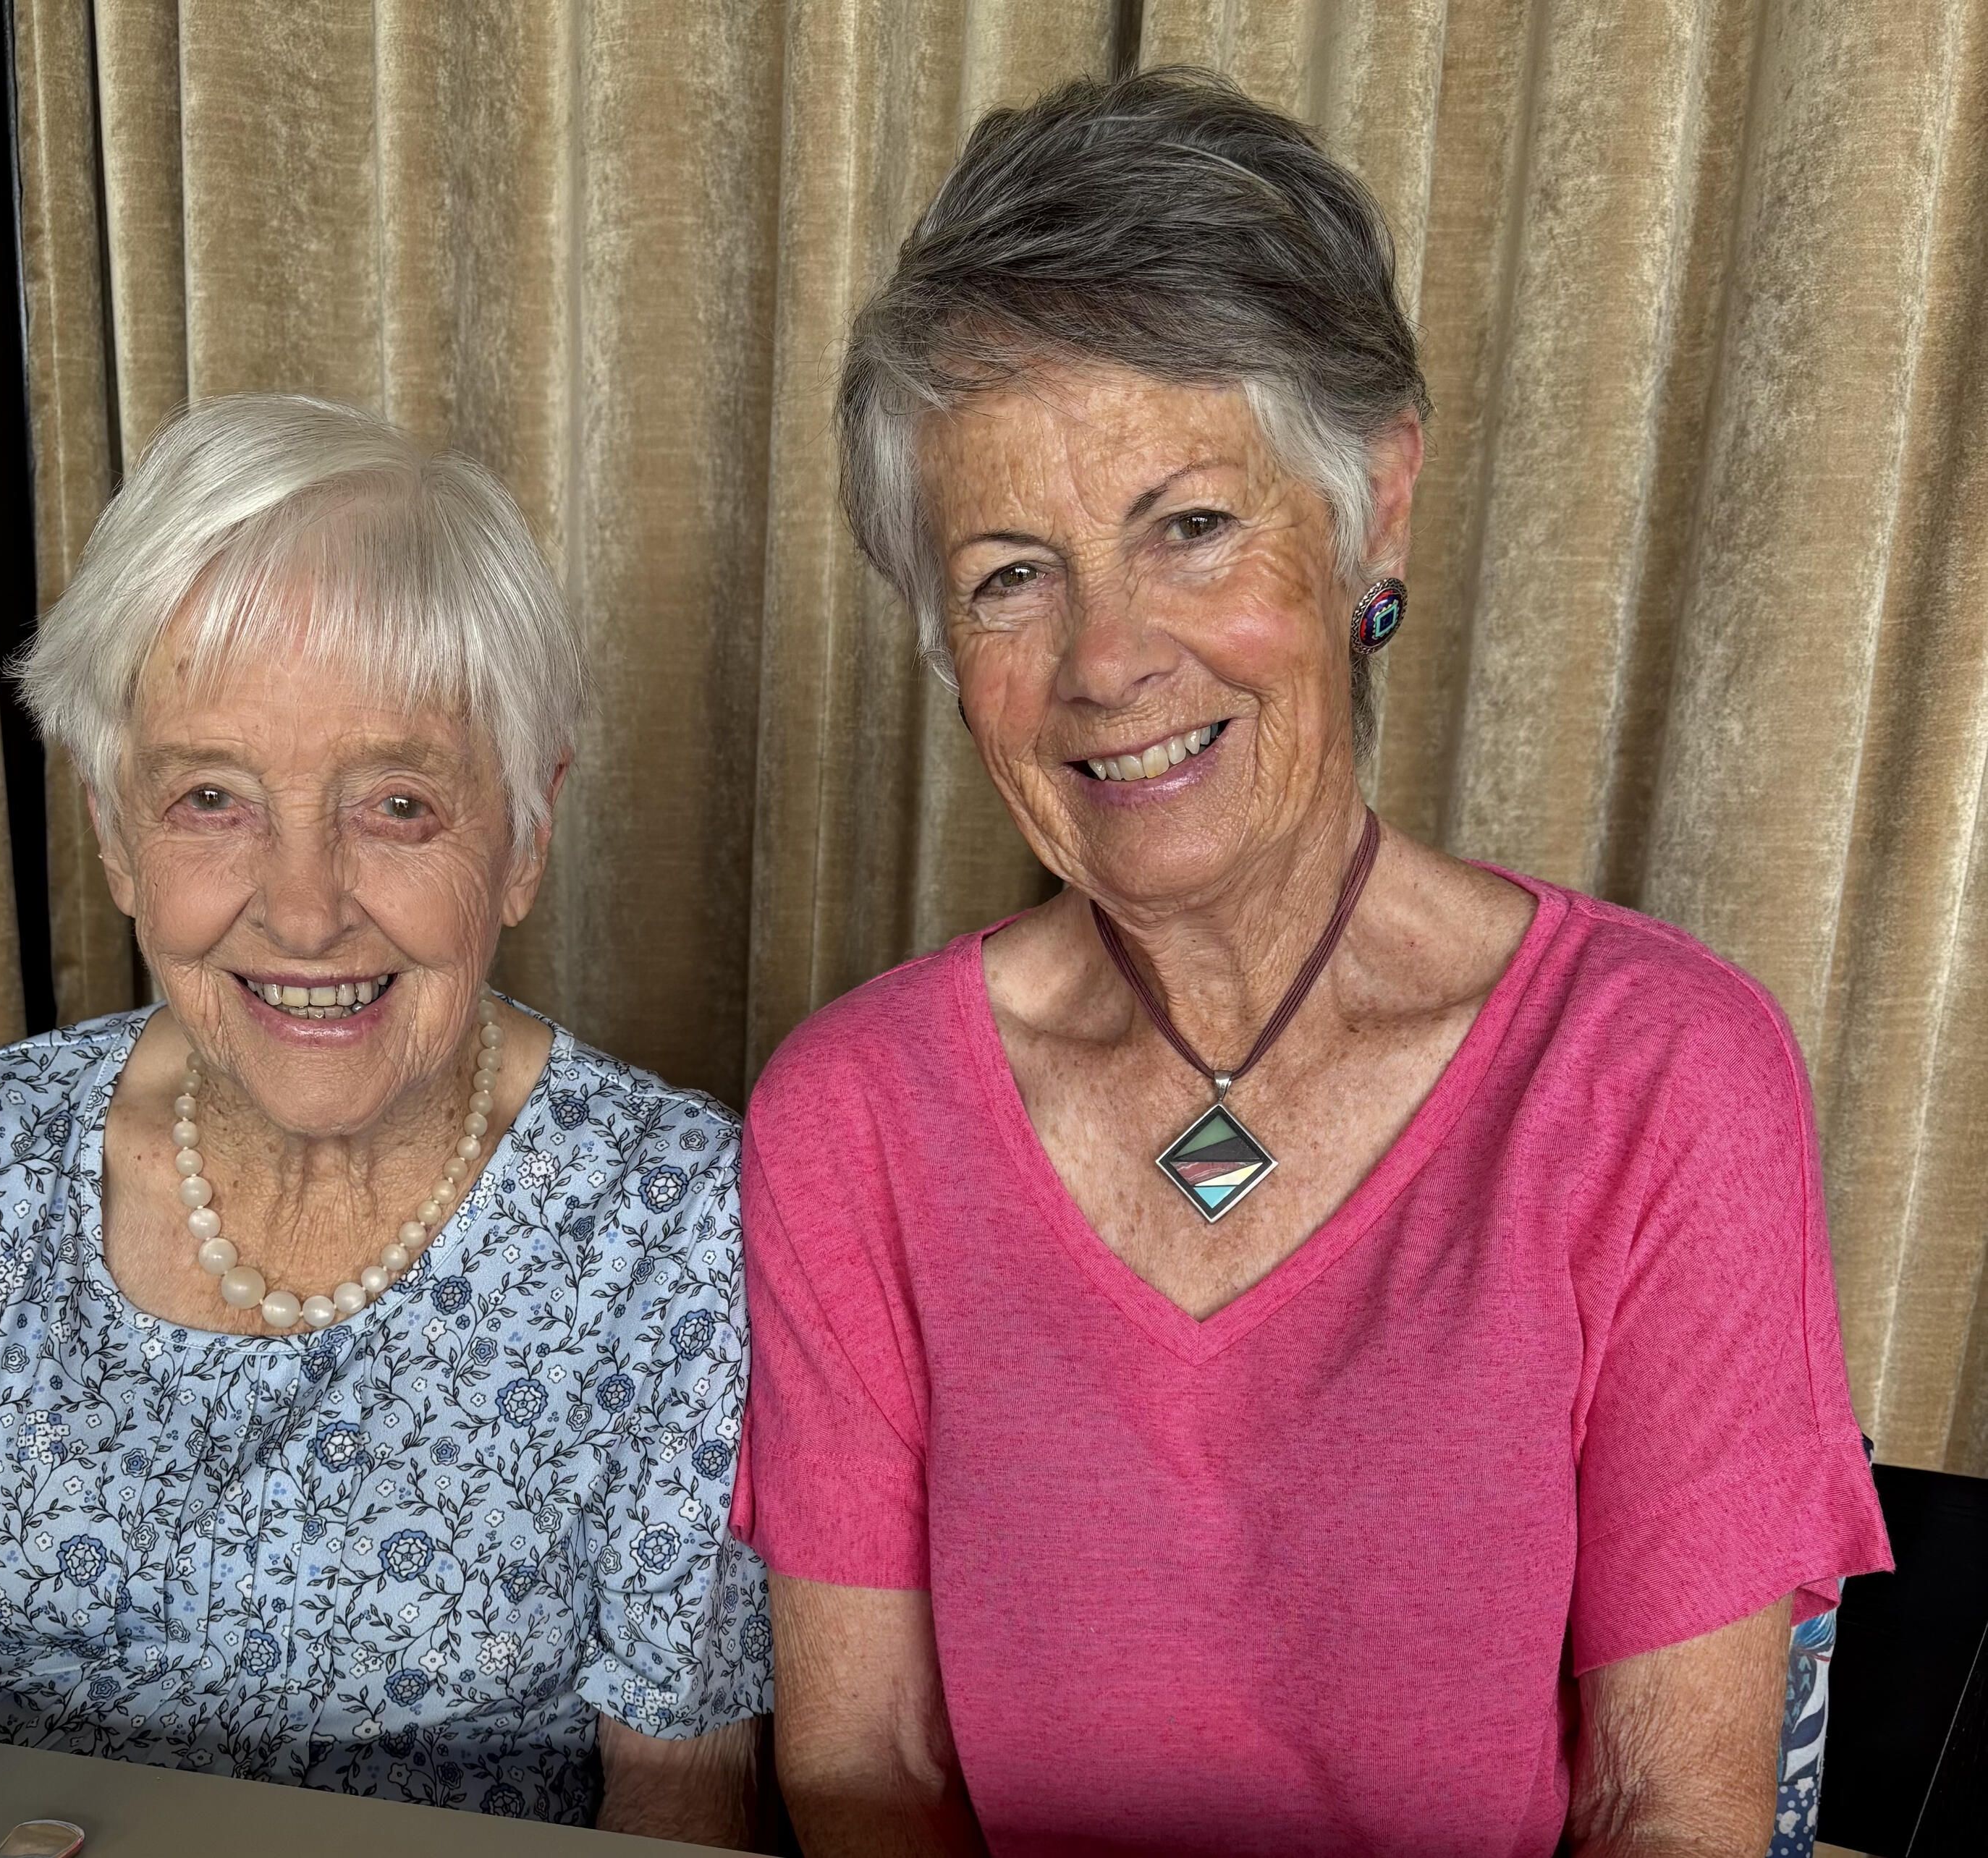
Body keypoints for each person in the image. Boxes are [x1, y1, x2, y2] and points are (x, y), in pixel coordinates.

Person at [733, 69, 1891, 1857]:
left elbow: (1676, 1811)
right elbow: (863, 1771)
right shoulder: (854, 1117)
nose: (1110, 660)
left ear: (1376, 511)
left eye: (1191, 527)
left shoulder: (1659, 1078)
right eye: (1011, 575)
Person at [0, 394, 769, 1841]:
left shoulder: (668, 1216)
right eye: (211, 798)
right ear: (111, 830)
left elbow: (678, 1795)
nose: (307, 908)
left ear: (523, 835)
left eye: (397, 804)